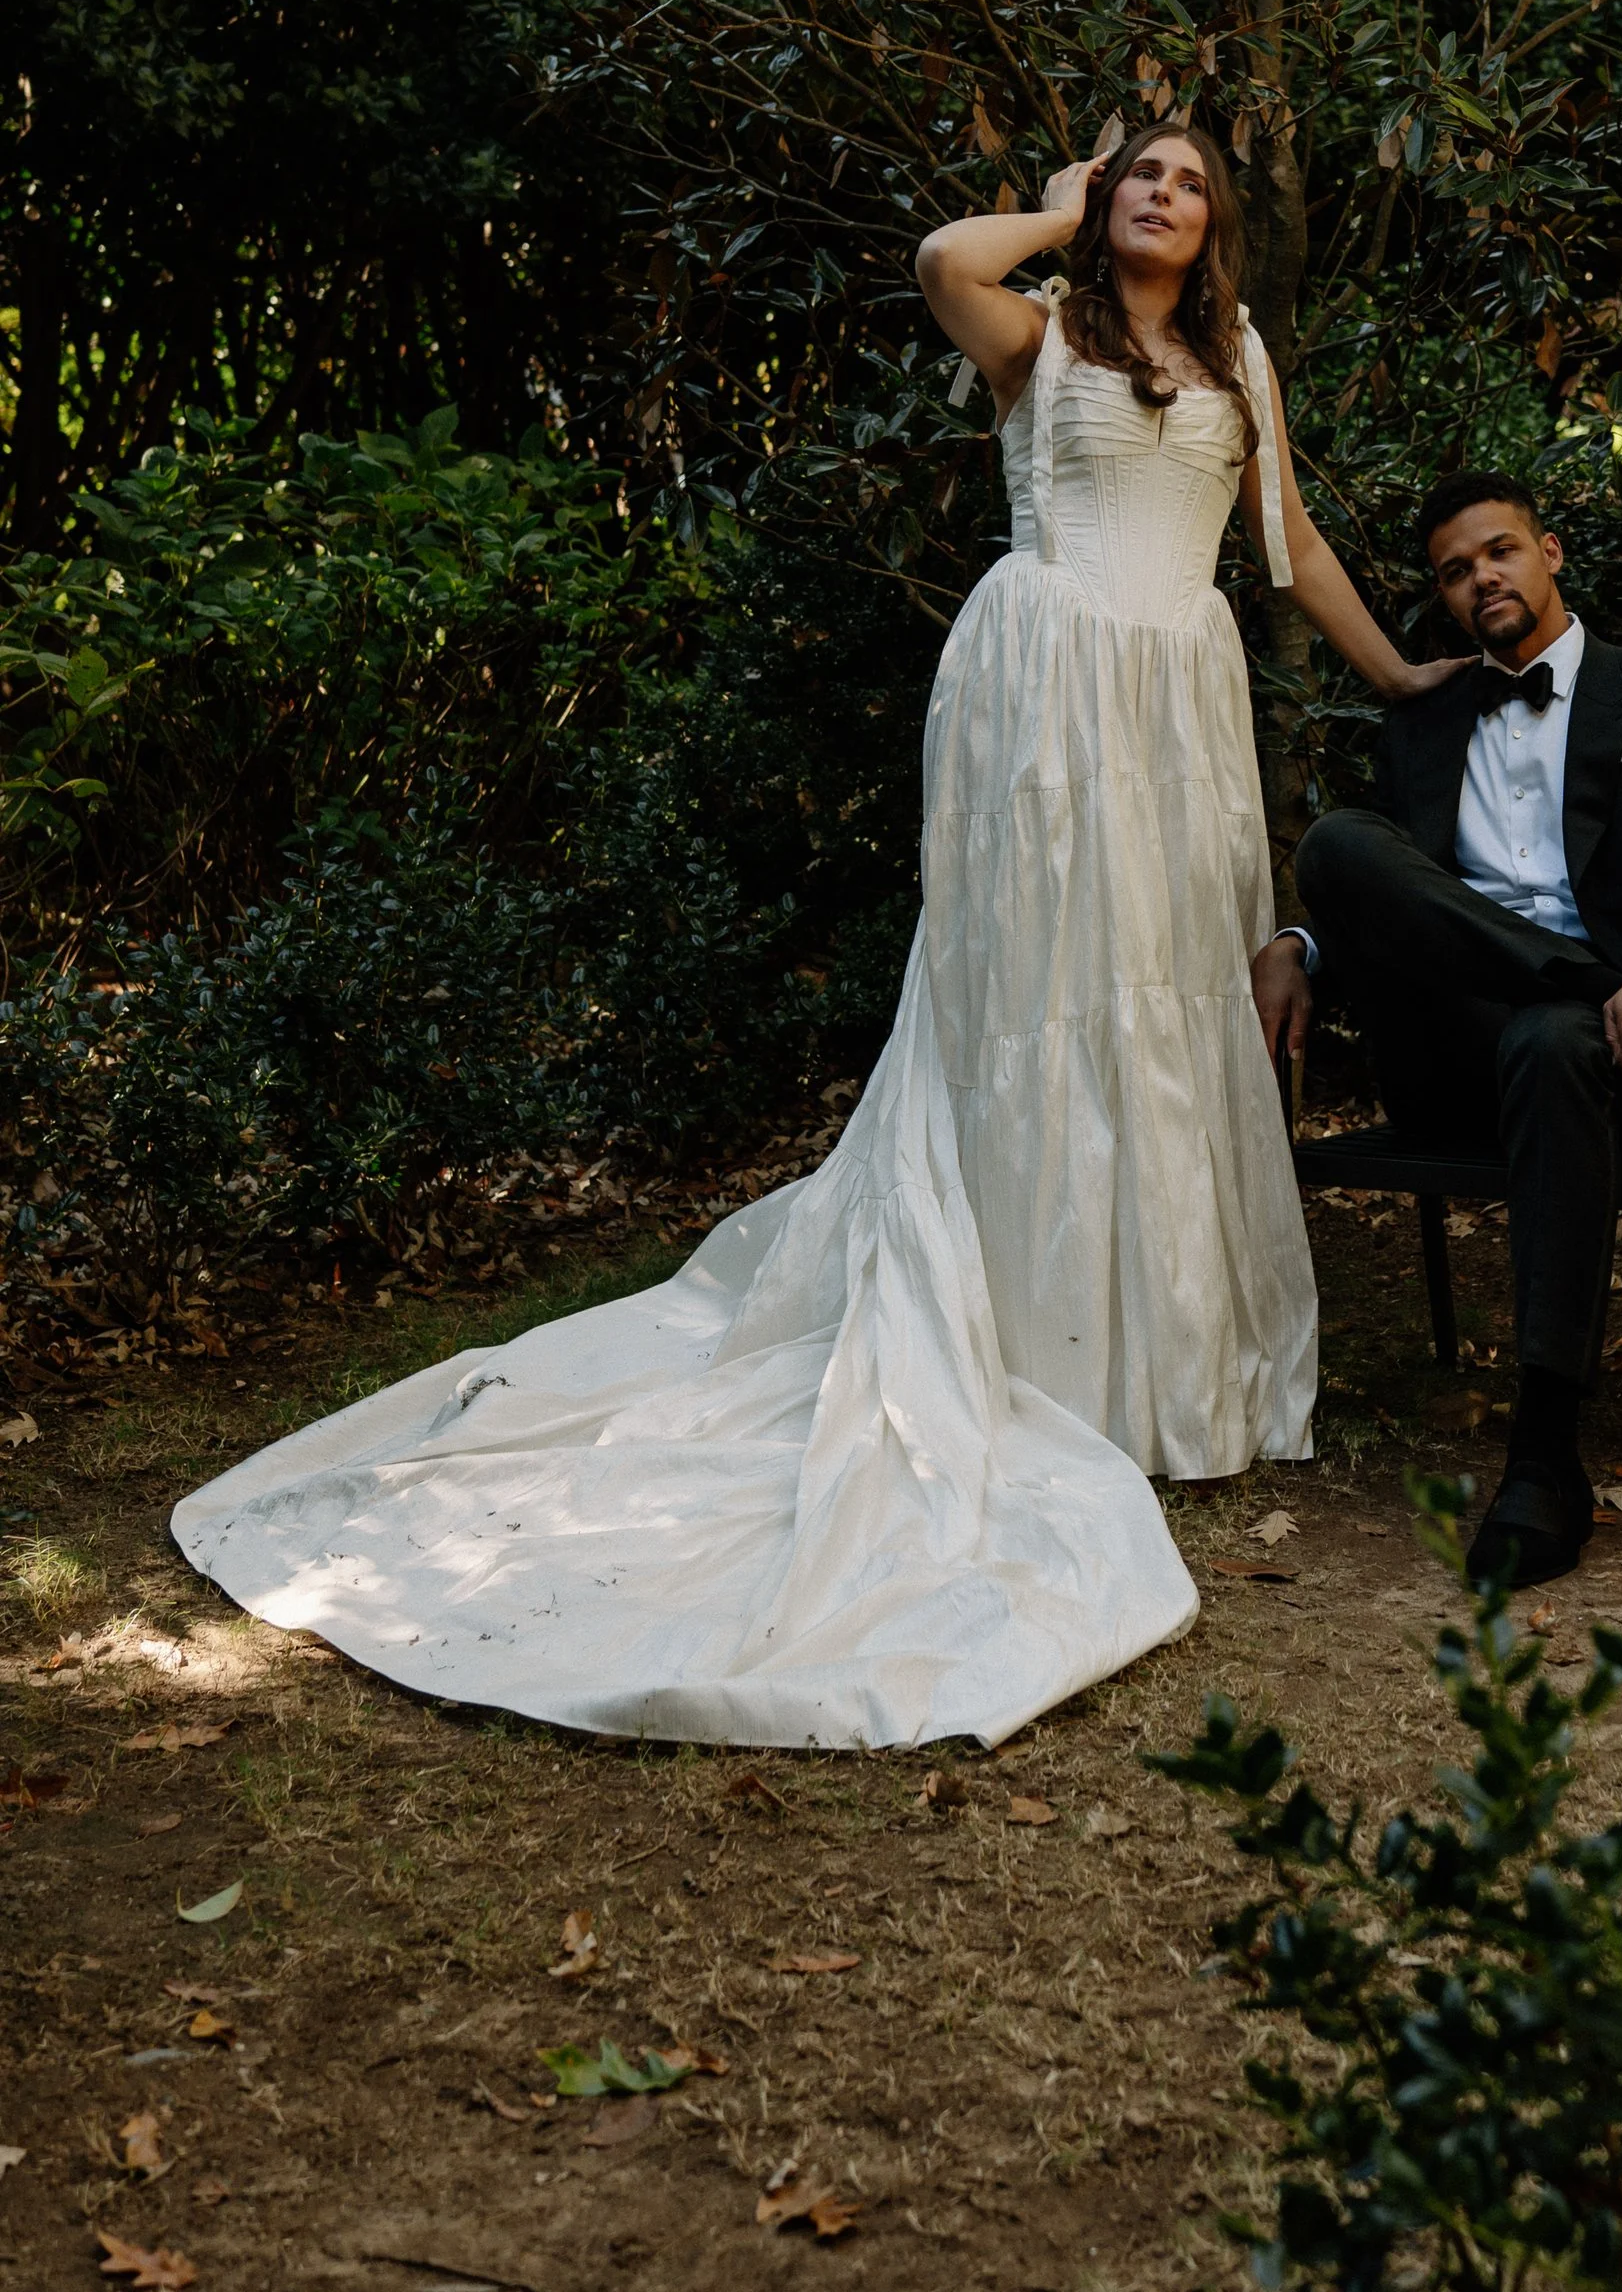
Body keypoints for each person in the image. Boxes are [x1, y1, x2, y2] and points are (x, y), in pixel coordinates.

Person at [172, 126, 1455, 1750]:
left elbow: (1292, 548)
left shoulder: (1239, 354)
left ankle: (1171, 1369)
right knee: (1043, 1005)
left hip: (1180, 702)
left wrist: (1399, 676)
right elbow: (940, 261)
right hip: (1049, 683)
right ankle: (1046, 1355)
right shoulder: (1040, 333)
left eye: (1189, 183)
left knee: (1167, 1008)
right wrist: (1049, 211)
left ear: (1218, 225)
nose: (1163, 195)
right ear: (1107, 201)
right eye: (1141, 174)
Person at [1263, 470, 1622, 1592]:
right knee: (1339, 846)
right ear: (1443, 598)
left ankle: (1542, 1460)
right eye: (1454, 570)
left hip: (1610, 1057)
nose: (1480, 577)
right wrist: (1300, 942)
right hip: (1454, 1055)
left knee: (1554, 1039)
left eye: (1498, 551)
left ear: (1549, 553)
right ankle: (1583, 987)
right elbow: (1397, 896)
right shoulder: (1422, 725)